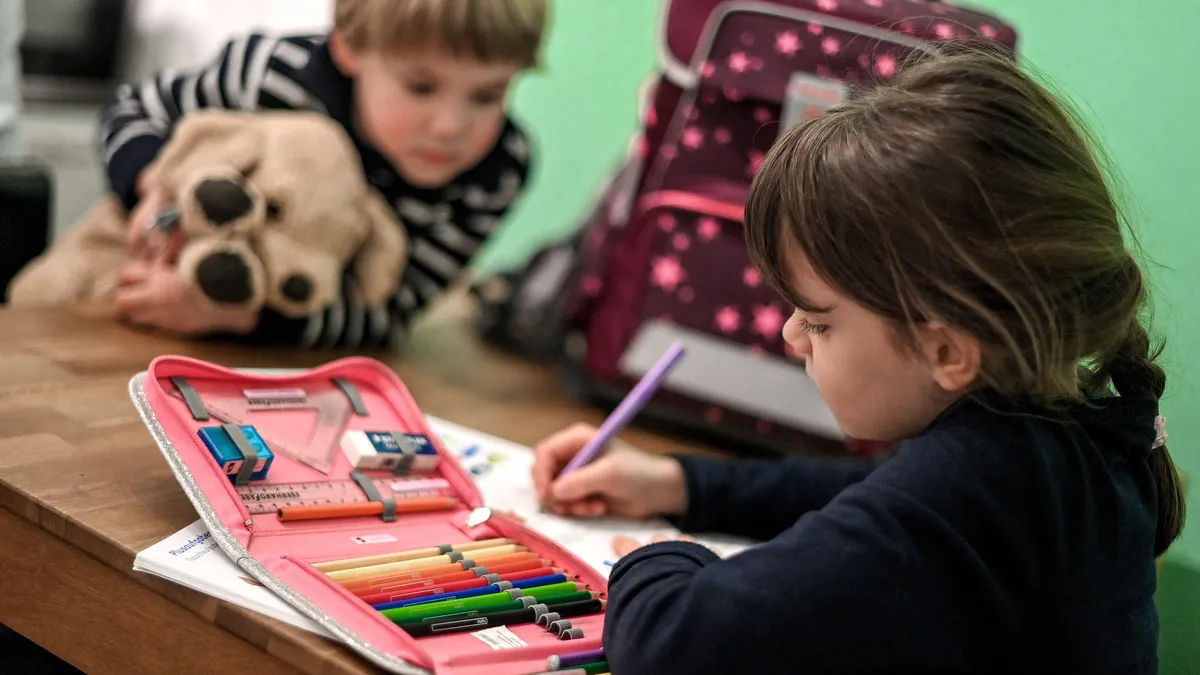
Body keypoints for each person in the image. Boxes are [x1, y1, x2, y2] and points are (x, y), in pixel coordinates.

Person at [531, 41, 1185, 675]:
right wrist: (680, 483)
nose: (791, 335)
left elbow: (674, 645)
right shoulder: (1065, 440)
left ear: (947, 349)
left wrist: (659, 559)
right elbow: (868, 494)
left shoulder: (969, 489)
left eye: (818, 320)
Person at [99, 0, 546, 346]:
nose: (450, 126)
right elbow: (132, 107)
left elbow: (392, 311)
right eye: (420, 87)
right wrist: (153, 185)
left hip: (275, 360)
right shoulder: (271, 72)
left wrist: (234, 317)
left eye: (487, 95)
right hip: (124, 280)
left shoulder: (497, 174)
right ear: (348, 47)